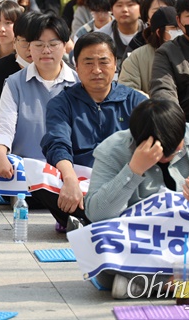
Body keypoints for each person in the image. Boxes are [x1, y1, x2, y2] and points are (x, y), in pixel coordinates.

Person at [85, 99, 189, 298]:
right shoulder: (113, 149)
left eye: (172, 150)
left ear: (183, 135)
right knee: (99, 241)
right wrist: (133, 170)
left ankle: (144, 284)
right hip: (139, 240)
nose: (163, 157)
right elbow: (96, 214)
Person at [38, 32, 147, 231]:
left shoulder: (135, 101)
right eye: (88, 63)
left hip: (125, 180)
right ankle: (90, 217)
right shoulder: (61, 103)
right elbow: (57, 143)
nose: (96, 70)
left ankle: (83, 219)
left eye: (103, 62)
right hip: (78, 182)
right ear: (76, 67)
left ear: (116, 64)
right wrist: (70, 179)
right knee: (39, 177)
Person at [0, 14, 79, 178]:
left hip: (71, 172)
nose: (46, 50)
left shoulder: (78, 83)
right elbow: (4, 124)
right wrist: (0, 155)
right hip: (26, 172)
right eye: (39, 44)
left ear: (65, 45)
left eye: (53, 44)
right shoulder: (14, 83)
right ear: (29, 47)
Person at [120, 6, 181, 95]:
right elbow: (127, 90)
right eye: (174, 28)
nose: (179, 32)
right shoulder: (137, 57)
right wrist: (152, 104)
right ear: (159, 32)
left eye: (181, 28)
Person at [96, 0, 144, 72]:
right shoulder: (101, 37)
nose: (124, 10)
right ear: (112, 9)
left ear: (140, 7)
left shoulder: (150, 34)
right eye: (119, 5)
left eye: (130, 5)